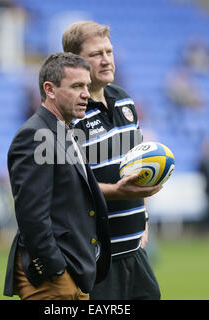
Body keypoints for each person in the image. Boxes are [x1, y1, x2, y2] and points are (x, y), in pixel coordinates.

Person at [62, 21, 162, 300]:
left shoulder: (125, 101)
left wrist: (143, 219)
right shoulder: (68, 116)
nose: (106, 60)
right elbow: (69, 188)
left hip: (136, 254)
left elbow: (137, 166)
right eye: (96, 54)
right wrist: (118, 192)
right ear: (75, 62)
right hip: (96, 262)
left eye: (109, 51)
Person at [3, 52, 111, 300]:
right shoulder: (34, 135)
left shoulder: (65, 130)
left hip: (76, 272)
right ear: (49, 90)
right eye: (76, 86)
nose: (86, 93)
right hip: (54, 280)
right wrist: (56, 270)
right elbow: (32, 215)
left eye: (87, 85)